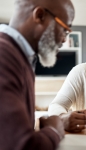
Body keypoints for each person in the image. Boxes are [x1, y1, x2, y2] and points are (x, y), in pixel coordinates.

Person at [0, 0, 74, 149]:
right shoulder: (4, 57)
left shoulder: (21, 56)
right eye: (65, 29)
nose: (65, 39)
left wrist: (58, 123)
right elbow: (23, 145)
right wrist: (53, 131)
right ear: (40, 15)